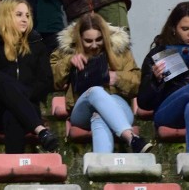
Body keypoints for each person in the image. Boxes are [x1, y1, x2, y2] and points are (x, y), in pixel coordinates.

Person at [51, 13, 151, 153]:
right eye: (88, 41)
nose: (94, 45)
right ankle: (132, 138)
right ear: (79, 39)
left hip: (118, 106)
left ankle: (102, 167)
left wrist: (117, 78)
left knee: (99, 117)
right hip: (82, 109)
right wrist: (68, 62)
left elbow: (138, 84)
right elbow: (53, 81)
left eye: (99, 40)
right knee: (96, 91)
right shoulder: (67, 50)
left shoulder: (120, 50)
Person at [0, 0, 58, 153]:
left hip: (26, 110)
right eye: (19, 14)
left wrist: (21, 96)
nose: (25, 19)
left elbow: (45, 81)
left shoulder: (37, 45)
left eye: (27, 15)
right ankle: (41, 130)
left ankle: (14, 167)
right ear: (6, 16)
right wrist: (20, 92)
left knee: (13, 114)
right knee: (5, 87)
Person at [137, 1, 189, 153]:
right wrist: (155, 80)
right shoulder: (158, 54)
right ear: (174, 29)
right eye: (185, 29)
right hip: (167, 112)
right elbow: (144, 103)